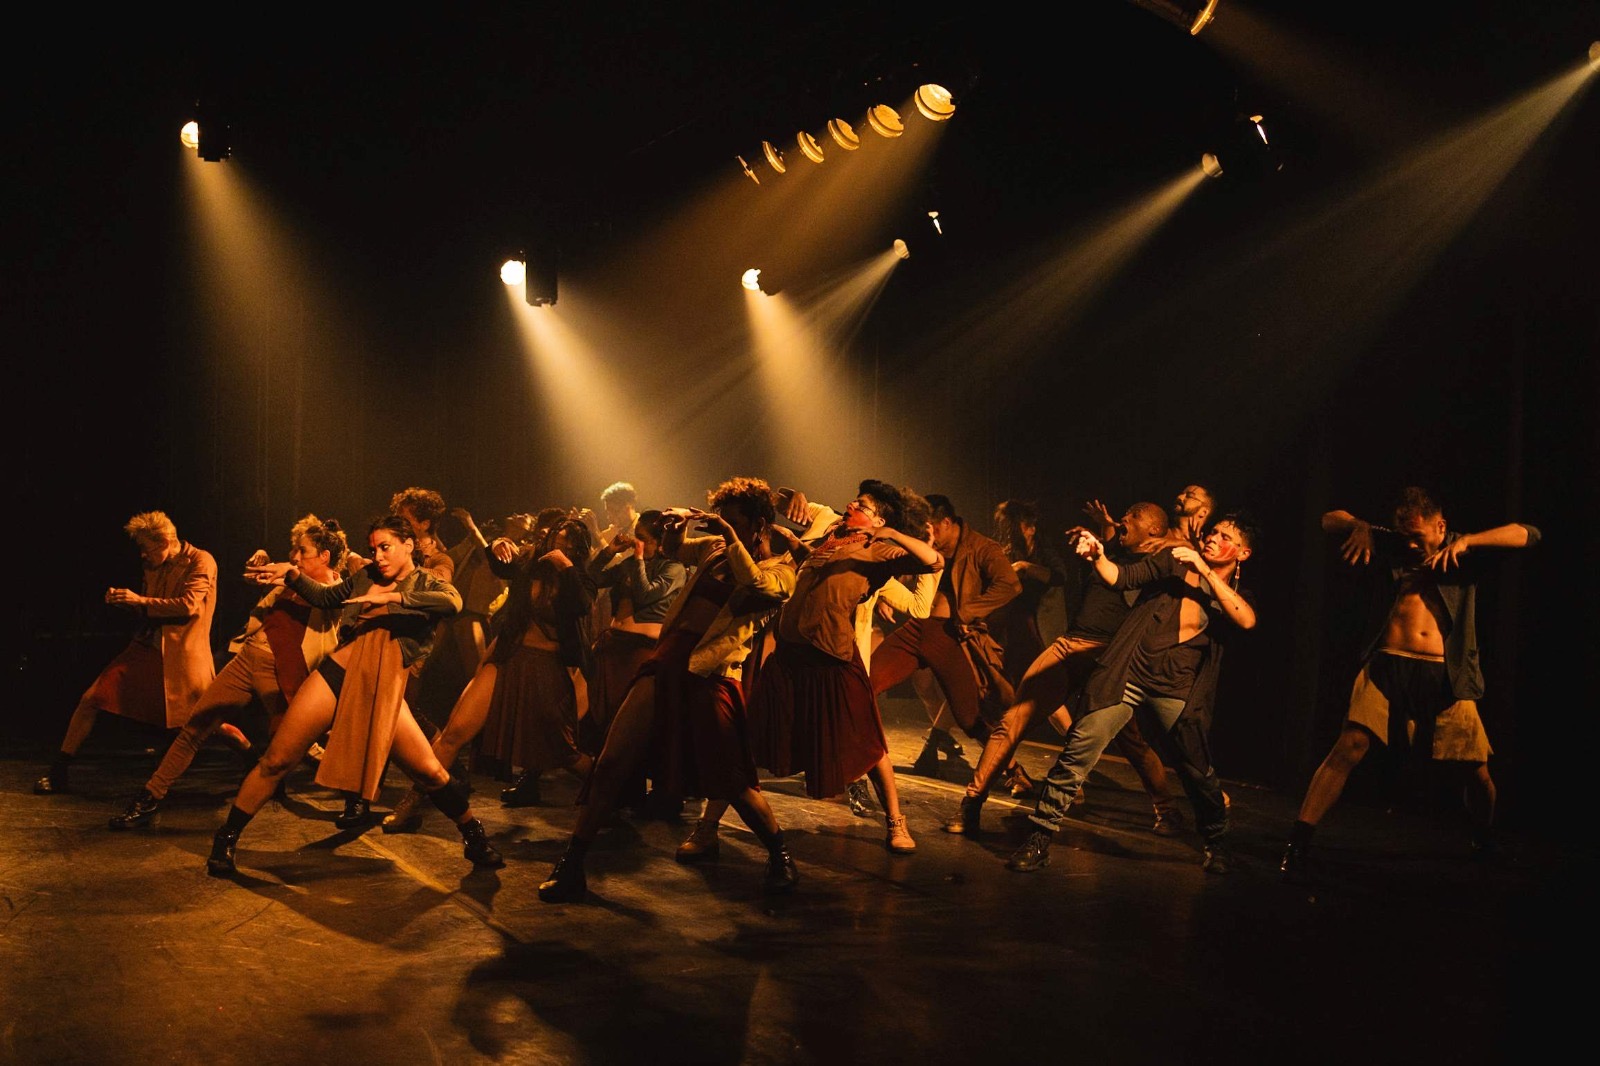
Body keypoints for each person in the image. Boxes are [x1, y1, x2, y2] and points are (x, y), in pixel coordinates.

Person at [536, 477, 804, 902]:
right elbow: (675, 553)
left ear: (758, 524)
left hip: (711, 672)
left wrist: (730, 537)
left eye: (732, 522)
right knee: (611, 760)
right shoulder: (715, 550)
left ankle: (778, 851)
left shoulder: (782, 569)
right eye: (722, 520)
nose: (721, 528)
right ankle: (573, 865)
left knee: (732, 780)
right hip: (668, 659)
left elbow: (757, 587)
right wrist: (675, 532)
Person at [203, 514, 499, 877]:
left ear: (409, 545)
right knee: (277, 760)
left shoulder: (427, 582)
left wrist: (393, 599)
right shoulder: (365, 576)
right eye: (374, 549)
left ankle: (474, 835)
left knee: (430, 772)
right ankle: (226, 839)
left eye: (386, 547)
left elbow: (452, 603)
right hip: (337, 676)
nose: (379, 556)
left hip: (383, 688)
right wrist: (293, 576)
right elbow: (327, 597)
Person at [1280, 488, 1540, 882]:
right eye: (1408, 537)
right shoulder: (1394, 545)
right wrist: (1359, 525)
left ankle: (1484, 839)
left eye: (1421, 536)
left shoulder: (1464, 553)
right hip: (1387, 664)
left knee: (1476, 770)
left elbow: (1529, 533)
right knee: (1348, 746)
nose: (1414, 544)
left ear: (1441, 525)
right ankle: (1298, 843)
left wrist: (1471, 540)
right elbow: (1327, 518)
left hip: (1445, 675)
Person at [1007, 513, 1259, 876]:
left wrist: (1204, 570)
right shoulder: (1173, 560)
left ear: (1243, 554)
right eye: (1213, 532)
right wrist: (1098, 556)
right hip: (1130, 672)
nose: (1213, 538)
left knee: (1196, 771)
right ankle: (1039, 837)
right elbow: (1121, 577)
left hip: (1178, 686)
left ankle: (1217, 843)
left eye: (1225, 537)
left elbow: (1246, 620)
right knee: (1079, 748)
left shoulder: (1231, 592)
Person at [943, 501, 1185, 838]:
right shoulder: (1114, 545)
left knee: (1132, 742)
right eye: (1124, 512)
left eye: (1134, 515)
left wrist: (1171, 542)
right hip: (1070, 644)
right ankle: (971, 804)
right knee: (1012, 721)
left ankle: (1168, 811)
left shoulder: (1162, 558)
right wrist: (1103, 526)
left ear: (1156, 530)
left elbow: (1185, 548)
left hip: (1111, 658)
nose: (1125, 517)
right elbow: (1112, 539)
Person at [108, 515, 348, 829]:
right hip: (246, 659)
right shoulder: (294, 574)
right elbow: (256, 577)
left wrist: (286, 573)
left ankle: (353, 793)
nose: (295, 557)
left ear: (325, 556)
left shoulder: (335, 589)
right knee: (197, 725)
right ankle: (149, 798)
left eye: (302, 551)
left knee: (296, 744)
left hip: (279, 672)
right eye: (295, 551)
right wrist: (260, 564)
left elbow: (320, 593)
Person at [745, 480, 943, 853]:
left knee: (867, 743)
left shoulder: (879, 549)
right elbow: (786, 506)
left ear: (879, 518)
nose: (852, 504)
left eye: (863, 504)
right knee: (748, 734)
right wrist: (798, 544)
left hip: (833, 658)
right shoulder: (831, 533)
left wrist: (891, 532)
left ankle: (896, 822)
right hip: (790, 654)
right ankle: (708, 826)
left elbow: (934, 563)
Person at [35, 512, 217, 796]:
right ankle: (59, 771)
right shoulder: (152, 565)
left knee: (203, 722)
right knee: (92, 698)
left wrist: (139, 601)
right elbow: (151, 608)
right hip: (146, 648)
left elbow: (189, 606)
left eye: (147, 546)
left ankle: (250, 757)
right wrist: (126, 603)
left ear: (166, 541)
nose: (143, 553)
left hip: (181, 657)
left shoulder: (200, 560)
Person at [867, 494, 1022, 781]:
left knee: (969, 718)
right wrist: (886, 596)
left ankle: (1014, 771)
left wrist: (968, 612)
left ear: (947, 523)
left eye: (932, 528)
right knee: (865, 684)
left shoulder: (982, 547)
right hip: (916, 629)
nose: (928, 535)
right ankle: (857, 758)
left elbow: (1010, 585)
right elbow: (909, 568)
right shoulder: (930, 545)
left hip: (949, 635)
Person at [478, 517, 598, 806]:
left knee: (558, 740)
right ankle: (529, 785)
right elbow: (501, 566)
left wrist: (566, 567)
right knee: (527, 730)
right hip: (518, 658)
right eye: (557, 542)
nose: (560, 548)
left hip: (550, 664)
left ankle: (606, 785)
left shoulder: (578, 577)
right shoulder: (530, 564)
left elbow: (583, 605)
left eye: (568, 545)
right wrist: (496, 544)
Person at [580, 508, 687, 754]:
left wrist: (638, 558)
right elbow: (592, 579)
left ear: (660, 542)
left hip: (641, 651)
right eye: (635, 535)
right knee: (596, 714)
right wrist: (608, 551)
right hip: (614, 644)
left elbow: (646, 593)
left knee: (626, 719)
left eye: (642, 538)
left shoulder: (673, 569)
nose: (636, 541)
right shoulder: (629, 564)